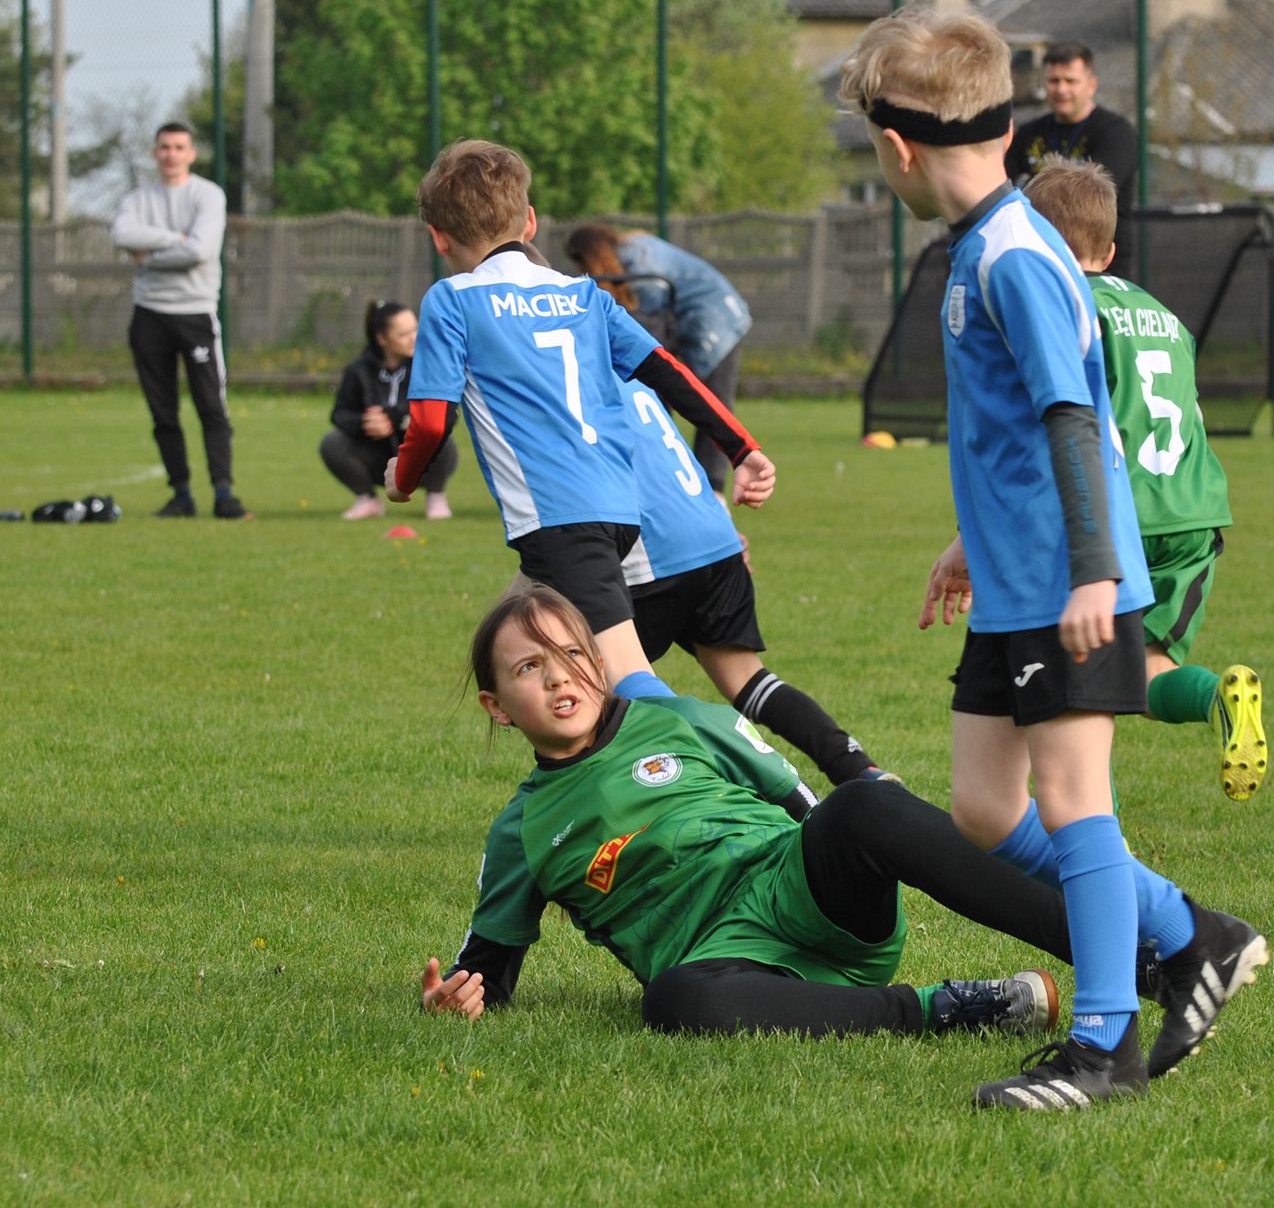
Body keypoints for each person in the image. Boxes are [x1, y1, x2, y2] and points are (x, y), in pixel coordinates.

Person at [841, 6, 1266, 1110]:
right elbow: (1012, 427)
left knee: (1075, 801)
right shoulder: (984, 243)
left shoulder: (1016, 255)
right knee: (986, 809)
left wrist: (1088, 573)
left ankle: (1103, 1047)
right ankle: (1196, 935)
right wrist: (964, 540)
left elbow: (1074, 417)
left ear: (896, 147)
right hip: (1015, 577)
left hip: (1064, 585)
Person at [418, 585, 1075, 1039]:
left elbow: (811, 810)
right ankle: (952, 1009)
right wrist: (458, 994)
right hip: (729, 967)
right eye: (529, 666)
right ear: (496, 705)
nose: (558, 677)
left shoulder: (677, 718)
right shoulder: (521, 830)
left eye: (569, 655)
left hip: (806, 898)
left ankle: (1116, 946)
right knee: (674, 1000)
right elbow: (486, 970)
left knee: (864, 804)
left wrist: (852, 832)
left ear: (597, 660)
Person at [386, 139, 774, 704]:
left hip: (560, 517)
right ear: (531, 222)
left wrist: (402, 477)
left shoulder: (453, 300)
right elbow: (670, 372)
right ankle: (568, 781)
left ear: (438, 236)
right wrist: (742, 448)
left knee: (631, 688)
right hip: (619, 510)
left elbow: (429, 422)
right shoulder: (583, 294)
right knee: (514, 645)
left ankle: (763, 782)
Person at [1020, 160, 1267, 802]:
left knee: (1087, 670)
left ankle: (1054, 795)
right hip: (1193, 515)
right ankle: (1215, 694)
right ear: (1108, 249)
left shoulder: (1062, 314)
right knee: (1147, 664)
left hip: (1114, 520)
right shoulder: (1165, 315)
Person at [615, 375, 895, 787]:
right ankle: (856, 767)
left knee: (595, 698)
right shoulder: (641, 379)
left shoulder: (571, 380)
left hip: (650, 556)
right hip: (715, 538)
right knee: (750, 680)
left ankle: (725, 791)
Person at [109, 122, 245, 520]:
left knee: (211, 407)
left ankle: (224, 493)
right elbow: (121, 235)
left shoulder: (208, 195)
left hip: (196, 314)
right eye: (164, 147)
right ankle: (181, 494)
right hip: (149, 315)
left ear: (191, 153)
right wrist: (176, 240)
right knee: (162, 412)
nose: (171, 153)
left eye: (179, 147)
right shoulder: (137, 199)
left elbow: (201, 251)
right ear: (154, 153)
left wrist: (148, 255)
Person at [566, 225, 752, 496]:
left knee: (708, 403)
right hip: (717, 314)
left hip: (717, 321)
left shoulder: (640, 266)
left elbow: (648, 329)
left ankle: (712, 493)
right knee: (683, 399)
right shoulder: (634, 250)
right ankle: (685, 486)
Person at [1004, 42, 1140, 280]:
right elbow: (1004, 191)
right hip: (1039, 266)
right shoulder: (1027, 133)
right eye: (1053, 81)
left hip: (1099, 271)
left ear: (1091, 85)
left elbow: (1086, 198)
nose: (1061, 89)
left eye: (1070, 81)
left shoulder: (1116, 133)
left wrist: (1029, 187)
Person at [321, 300, 457, 521]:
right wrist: (366, 423)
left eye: (415, 330)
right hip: (376, 456)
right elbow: (339, 414)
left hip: (418, 454)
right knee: (333, 443)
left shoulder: (428, 365)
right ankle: (367, 500)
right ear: (382, 339)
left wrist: (395, 418)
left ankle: (436, 497)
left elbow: (445, 410)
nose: (413, 338)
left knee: (439, 435)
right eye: (403, 334)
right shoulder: (358, 369)